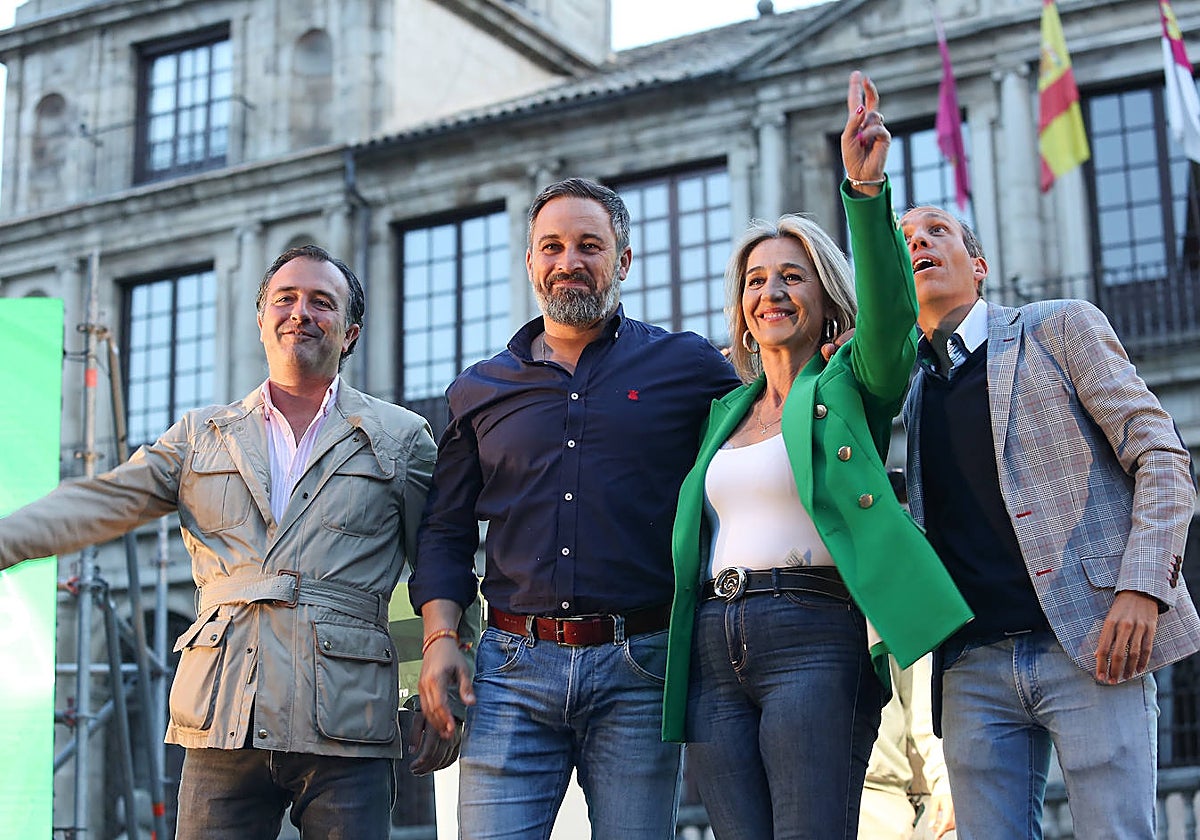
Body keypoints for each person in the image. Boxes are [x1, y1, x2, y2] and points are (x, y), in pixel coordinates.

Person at [0, 244, 471, 839]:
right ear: (261, 320)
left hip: (347, 723)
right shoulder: (201, 437)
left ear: (348, 333)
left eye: (321, 303)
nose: (301, 312)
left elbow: (437, 561)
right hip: (223, 714)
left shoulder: (400, 438)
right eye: (286, 298)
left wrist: (431, 674)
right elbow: (102, 500)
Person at [663, 72, 972, 840]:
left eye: (791, 277)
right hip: (711, 641)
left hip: (812, 633)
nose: (771, 293)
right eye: (756, 281)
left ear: (826, 298)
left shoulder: (850, 386)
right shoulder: (724, 412)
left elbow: (893, 321)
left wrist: (866, 193)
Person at [409, 174, 742, 838]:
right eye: (552, 246)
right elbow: (445, 531)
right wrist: (438, 639)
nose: (569, 262)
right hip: (509, 672)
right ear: (531, 261)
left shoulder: (690, 366)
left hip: (641, 666)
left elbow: (767, 430)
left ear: (622, 259)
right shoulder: (478, 390)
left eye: (589, 245)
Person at [899, 203, 1200, 839]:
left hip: (1093, 643)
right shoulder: (910, 387)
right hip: (970, 666)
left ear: (978, 267)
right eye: (904, 240)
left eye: (936, 231)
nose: (919, 241)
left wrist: (1144, 587)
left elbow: (1163, 456)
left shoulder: (1057, 328)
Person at [859, 474, 954, 840]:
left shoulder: (899, 584)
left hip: (908, 795)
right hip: (866, 790)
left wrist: (944, 782)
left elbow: (921, 694)